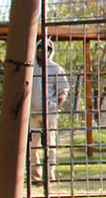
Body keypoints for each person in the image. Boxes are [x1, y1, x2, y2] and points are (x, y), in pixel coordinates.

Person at [29, 37, 70, 183]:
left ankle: (49, 175)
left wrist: (56, 105)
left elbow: (63, 89)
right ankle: (36, 176)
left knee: (50, 145)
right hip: (32, 114)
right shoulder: (30, 67)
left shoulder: (56, 68)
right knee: (32, 146)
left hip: (49, 113)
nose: (43, 51)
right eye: (41, 48)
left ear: (51, 51)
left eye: (47, 49)